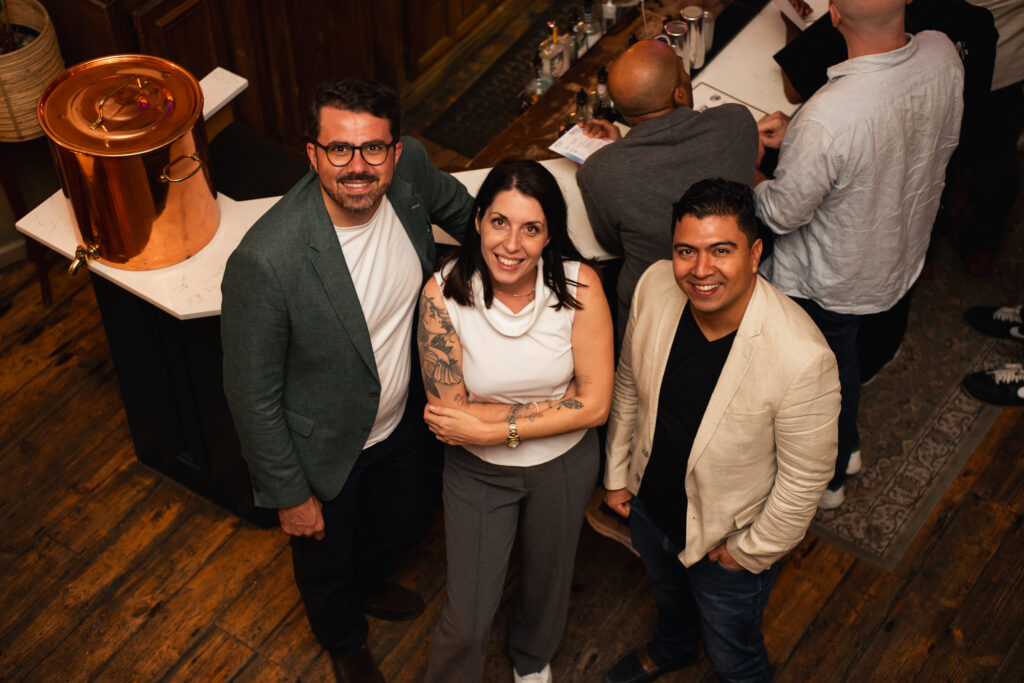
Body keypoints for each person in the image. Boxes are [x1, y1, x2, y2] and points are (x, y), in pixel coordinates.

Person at [220, 78, 474, 682]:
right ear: (312, 153)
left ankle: (367, 583)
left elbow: (472, 218)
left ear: (395, 151)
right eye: (339, 149)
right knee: (323, 561)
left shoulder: (411, 174)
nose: (357, 167)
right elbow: (251, 396)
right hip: (323, 445)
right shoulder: (266, 260)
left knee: (408, 522)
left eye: (373, 149)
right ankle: (344, 640)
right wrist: (289, 494)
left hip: (403, 417)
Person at [603, 178, 840, 683]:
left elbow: (804, 482)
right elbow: (628, 383)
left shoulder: (803, 357)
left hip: (725, 542)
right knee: (668, 599)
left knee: (733, 651)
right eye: (686, 251)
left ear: (754, 255)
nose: (700, 269)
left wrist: (744, 554)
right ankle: (673, 649)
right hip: (649, 508)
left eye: (721, 250)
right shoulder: (654, 286)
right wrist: (617, 475)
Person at [754, 0, 964, 508]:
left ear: (833, 16)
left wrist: (750, 169)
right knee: (843, 361)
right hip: (898, 246)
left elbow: (780, 214)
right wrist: (803, 137)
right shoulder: (942, 52)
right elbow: (892, 125)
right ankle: (844, 449)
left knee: (820, 379)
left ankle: (829, 477)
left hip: (831, 277)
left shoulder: (829, 116)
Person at [418, 159, 614, 682]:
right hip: (477, 472)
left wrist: (491, 425)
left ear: (549, 236)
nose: (511, 244)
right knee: (468, 616)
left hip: (565, 464)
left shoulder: (580, 286)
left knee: (550, 581)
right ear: (478, 220)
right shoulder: (442, 295)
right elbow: (449, 417)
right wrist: (561, 404)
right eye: (500, 222)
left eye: (531, 229)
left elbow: (597, 406)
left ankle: (532, 659)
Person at [575, 38, 757, 343]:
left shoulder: (597, 172)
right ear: (680, 93)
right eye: (683, 70)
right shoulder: (736, 123)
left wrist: (618, 153)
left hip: (650, 318)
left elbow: (612, 243)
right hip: (733, 298)